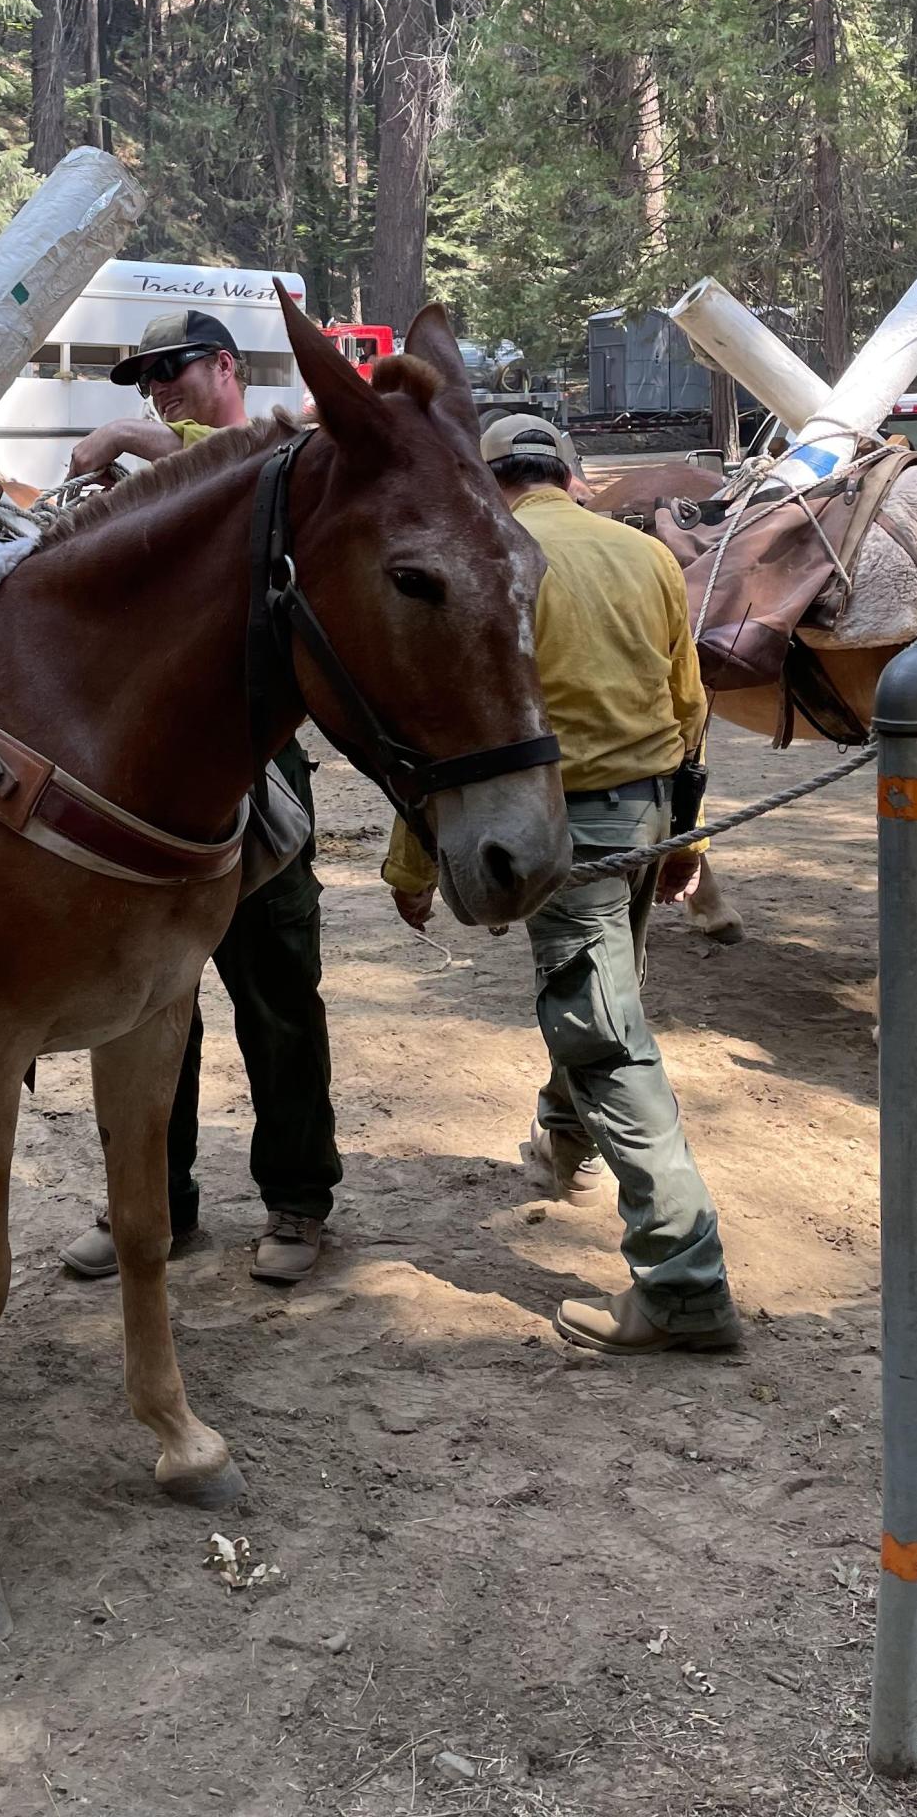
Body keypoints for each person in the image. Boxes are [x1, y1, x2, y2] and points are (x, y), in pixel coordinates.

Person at [383, 413, 742, 1356]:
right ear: (571, 477)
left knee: (608, 1039)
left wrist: (412, 865)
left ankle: (685, 1282)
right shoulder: (647, 558)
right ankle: (562, 1138)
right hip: (648, 810)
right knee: (606, 996)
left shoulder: (493, 565)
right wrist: (684, 842)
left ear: (488, 483)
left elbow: (451, 728)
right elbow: (689, 707)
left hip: (559, 828)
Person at [57, 308, 342, 1286]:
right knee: (145, 1003)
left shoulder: (287, 464)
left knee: (276, 1001)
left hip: (258, 774)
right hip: (150, 784)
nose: (156, 390)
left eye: (170, 370)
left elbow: (259, 458)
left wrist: (143, 439)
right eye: (143, 383)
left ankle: (298, 1201)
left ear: (225, 365)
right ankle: (156, 1206)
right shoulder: (154, 487)